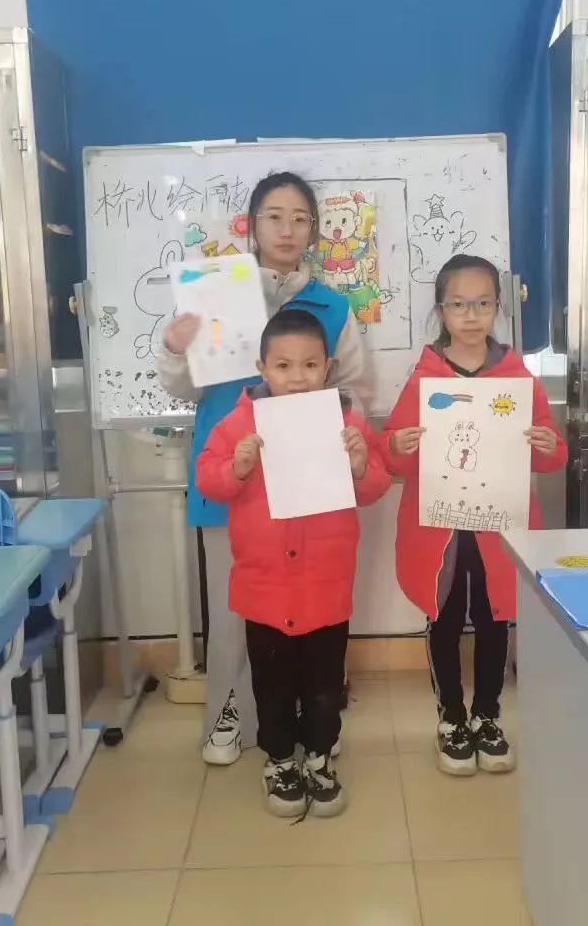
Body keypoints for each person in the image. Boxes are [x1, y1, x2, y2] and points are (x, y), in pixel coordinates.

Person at [156, 172, 371, 766]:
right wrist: (174, 347)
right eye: (274, 216)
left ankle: (310, 719)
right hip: (231, 478)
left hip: (310, 486)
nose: (287, 229)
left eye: (300, 218)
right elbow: (183, 386)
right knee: (235, 615)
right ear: (251, 225)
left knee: (307, 611)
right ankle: (228, 713)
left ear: (313, 231)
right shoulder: (214, 293)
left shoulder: (332, 307)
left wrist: (336, 439)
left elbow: (354, 389)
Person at [195, 308, 389, 816]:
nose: (297, 378)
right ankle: (280, 761)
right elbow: (208, 479)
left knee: (325, 687)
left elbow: (375, 486)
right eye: (283, 366)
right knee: (272, 688)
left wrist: (360, 466)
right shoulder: (238, 424)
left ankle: (319, 757)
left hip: (325, 587)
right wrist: (236, 468)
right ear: (262, 368)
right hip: (264, 589)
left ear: (327, 367)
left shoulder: (345, 423)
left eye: (309, 365)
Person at [380, 254, 567, 776]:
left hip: (498, 525)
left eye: (482, 303)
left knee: (494, 616)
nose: (470, 314)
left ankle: (487, 715)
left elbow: (551, 454)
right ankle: (451, 717)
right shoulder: (425, 377)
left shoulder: (517, 377)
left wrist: (547, 445)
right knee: (443, 616)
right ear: (441, 311)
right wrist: (397, 444)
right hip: (440, 528)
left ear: (497, 308)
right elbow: (391, 453)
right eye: (458, 304)